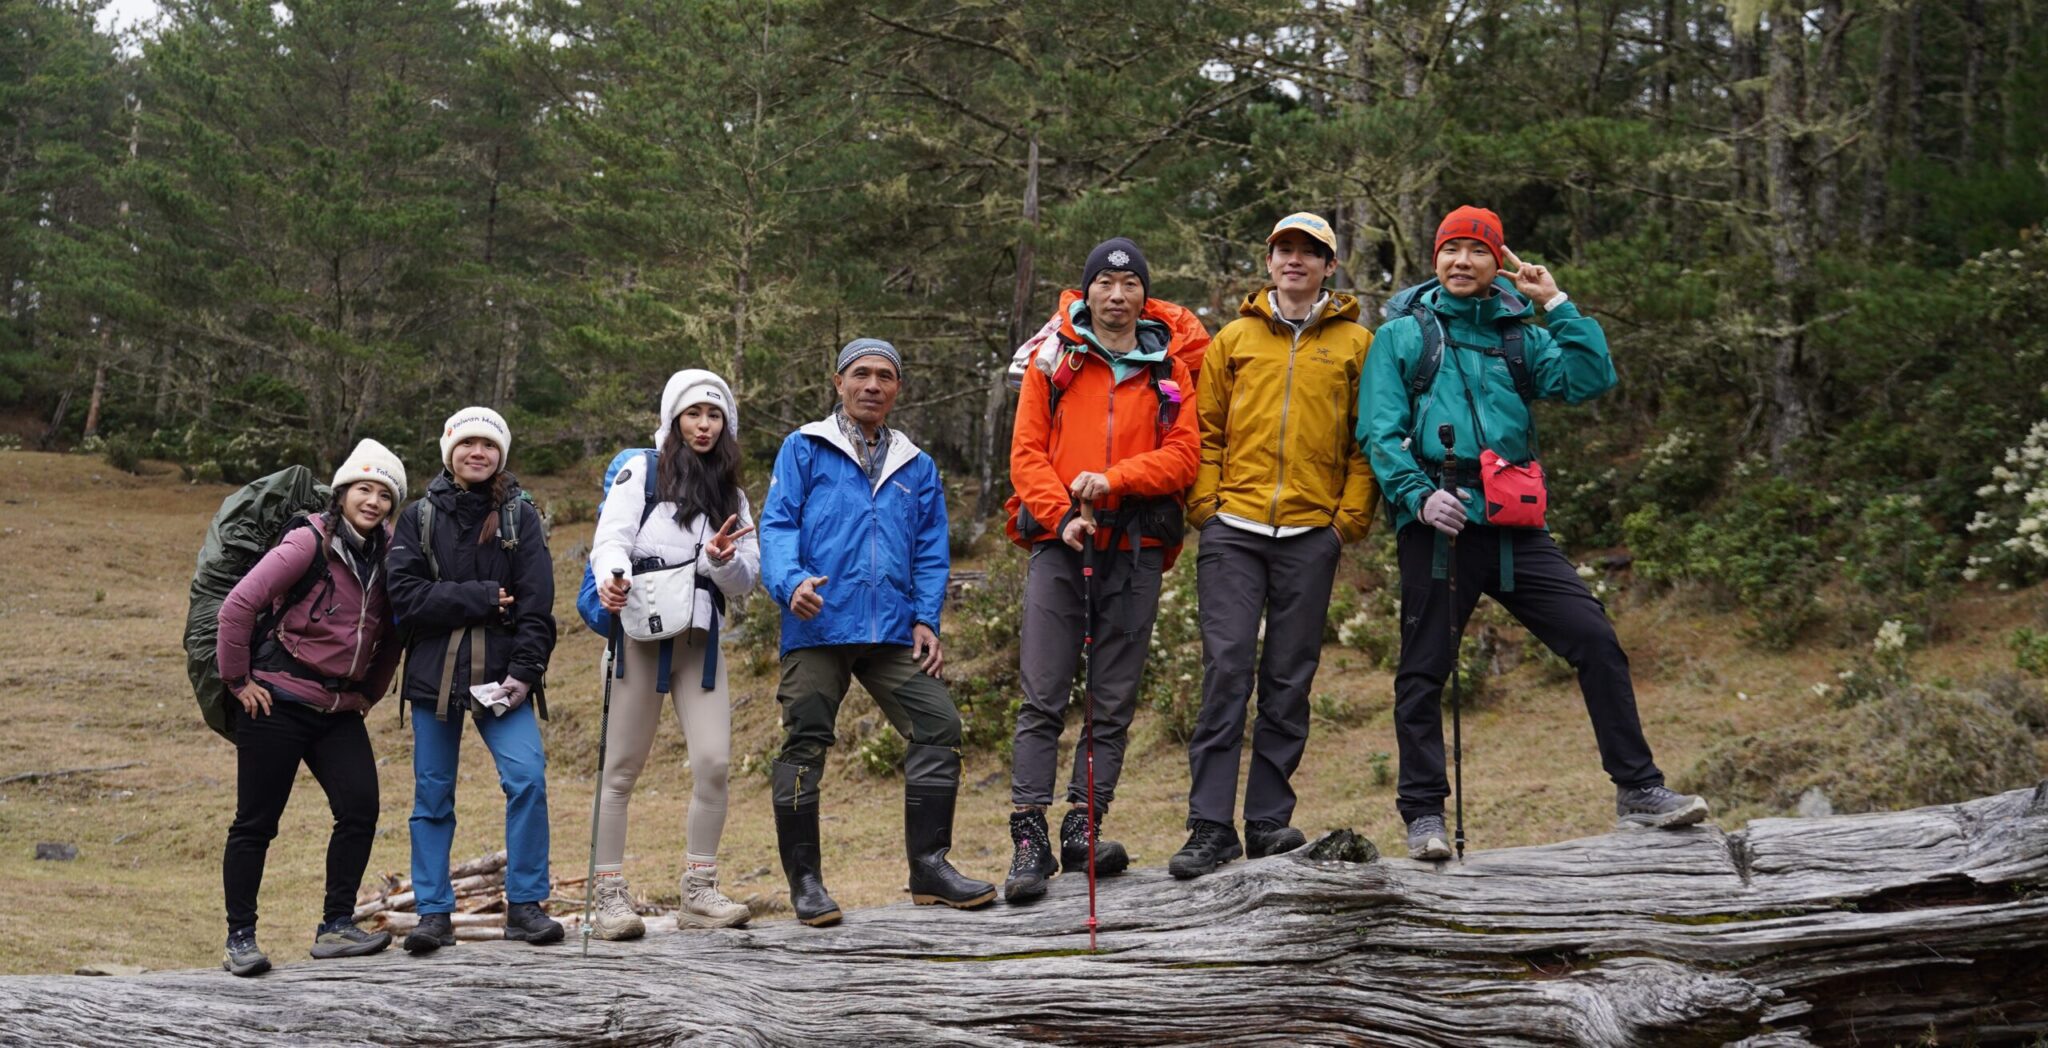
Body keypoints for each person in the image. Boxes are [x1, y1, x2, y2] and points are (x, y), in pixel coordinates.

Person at [1359, 205, 1709, 860]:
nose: (1461, 261)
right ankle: (1423, 814)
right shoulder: (1403, 336)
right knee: (1424, 669)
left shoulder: (1522, 336)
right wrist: (1419, 496)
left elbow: (1590, 377)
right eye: (1450, 250)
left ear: (1500, 263)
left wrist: (1557, 303)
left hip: (1514, 528)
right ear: (1435, 259)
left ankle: (1638, 789)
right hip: (1437, 525)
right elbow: (1379, 432)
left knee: (1595, 640)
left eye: (1477, 251)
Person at [756, 338, 995, 925]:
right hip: (818, 622)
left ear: (898, 390)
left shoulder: (917, 463)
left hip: (890, 629)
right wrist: (791, 584)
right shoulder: (805, 448)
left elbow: (931, 549)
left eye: (885, 376)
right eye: (860, 374)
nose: (872, 385)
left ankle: (930, 869)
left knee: (939, 722)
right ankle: (806, 883)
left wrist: (924, 619)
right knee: (805, 739)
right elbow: (777, 524)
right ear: (838, 382)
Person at [1171, 212, 1380, 879]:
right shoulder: (1233, 338)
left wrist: (1346, 520)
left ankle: (1266, 822)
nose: (1295, 261)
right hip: (1233, 531)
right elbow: (1204, 431)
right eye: (1284, 250)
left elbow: (1366, 441)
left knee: (1290, 680)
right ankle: (1209, 828)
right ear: (1269, 262)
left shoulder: (1357, 344)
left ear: (1329, 265)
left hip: (1310, 534)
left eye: (1309, 252)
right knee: (1227, 670)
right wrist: (1206, 506)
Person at [1000, 238, 1203, 902]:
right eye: (1106, 283)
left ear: (1147, 294)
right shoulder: (1053, 359)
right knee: (1043, 695)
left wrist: (1115, 478)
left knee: (1112, 698)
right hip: (1063, 544)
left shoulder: (1168, 367)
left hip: (1137, 545)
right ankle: (1029, 835)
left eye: (1130, 284)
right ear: (1086, 292)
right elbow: (1027, 453)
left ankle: (1084, 826)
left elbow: (1183, 457)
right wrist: (1062, 516)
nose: (1117, 295)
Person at [215, 440, 408, 976]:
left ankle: (335, 927)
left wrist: (370, 692)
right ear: (343, 492)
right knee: (256, 822)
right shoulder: (306, 543)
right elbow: (238, 607)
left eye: (384, 494)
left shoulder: (391, 555)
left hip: (339, 710)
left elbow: (393, 634)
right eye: (363, 489)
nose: (372, 501)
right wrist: (237, 680)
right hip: (275, 700)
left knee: (360, 808)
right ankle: (240, 938)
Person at [585, 370, 759, 937]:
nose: (704, 425)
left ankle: (699, 891)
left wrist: (721, 559)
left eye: (714, 415)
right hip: (640, 633)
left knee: (714, 763)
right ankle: (608, 896)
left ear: (725, 424)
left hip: (699, 641)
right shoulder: (644, 469)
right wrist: (613, 577)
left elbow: (745, 579)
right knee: (620, 770)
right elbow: (611, 537)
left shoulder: (733, 496)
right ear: (674, 419)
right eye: (694, 414)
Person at [386, 406, 564, 950]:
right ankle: (434, 914)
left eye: (489, 445)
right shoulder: (418, 517)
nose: (478, 453)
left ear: (500, 455)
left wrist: (524, 672)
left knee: (527, 778)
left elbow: (537, 604)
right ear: (450, 452)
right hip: (433, 675)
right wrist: (484, 597)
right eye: (467, 444)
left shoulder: (520, 517)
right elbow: (404, 597)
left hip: (502, 674)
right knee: (432, 794)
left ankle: (526, 905)